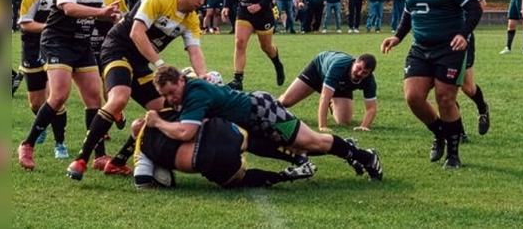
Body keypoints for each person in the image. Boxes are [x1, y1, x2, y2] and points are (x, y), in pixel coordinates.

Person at [65, 0, 215, 180]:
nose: (203, 2)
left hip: (140, 62)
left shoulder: (191, 19)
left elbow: (195, 51)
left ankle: (117, 162)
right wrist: (160, 64)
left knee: (165, 110)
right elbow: (136, 33)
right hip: (118, 49)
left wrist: (203, 74)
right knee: (119, 98)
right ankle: (81, 159)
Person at [146, 65, 384, 181]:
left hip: (264, 112)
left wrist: (157, 122)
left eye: (171, 92)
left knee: (314, 142)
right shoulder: (189, 87)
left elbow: (186, 132)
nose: (170, 98)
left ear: (180, 80)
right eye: (165, 95)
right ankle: (346, 149)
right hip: (251, 120)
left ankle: (364, 156)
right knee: (297, 147)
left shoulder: (194, 93)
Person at [17, 0, 121, 171]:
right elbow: (69, 8)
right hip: (57, 41)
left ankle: (99, 156)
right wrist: (101, 12)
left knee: (94, 98)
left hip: (81, 43)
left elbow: (96, 12)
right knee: (59, 95)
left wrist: (111, 18)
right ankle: (27, 144)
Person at [380, 0, 482, 169]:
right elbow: (409, 13)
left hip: (449, 49)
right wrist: (397, 37)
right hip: (420, 48)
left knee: (445, 100)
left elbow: (474, 8)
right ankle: (439, 134)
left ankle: (453, 155)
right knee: (413, 97)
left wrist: (463, 34)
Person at [133, 107, 316, 189]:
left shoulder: (142, 151)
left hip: (208, 160)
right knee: (248, 139)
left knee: (238, 179)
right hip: (216, 133)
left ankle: (282, 176)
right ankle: (297, 157)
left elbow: (141, 180)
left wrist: (158, 177)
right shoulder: (161, 113)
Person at [429, 0, 491, 139]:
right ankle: (459, 131)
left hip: (460, 37)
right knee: (445, 87)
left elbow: (481, 3)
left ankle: (482, 107)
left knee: (467, 87)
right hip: (438, 39)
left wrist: (463, 27)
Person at [17, 0, 72, 160]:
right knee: (35, 103)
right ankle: (43, 121)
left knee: (56, 97)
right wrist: (49, 28)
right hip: (32, 46)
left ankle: (60, 143)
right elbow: (24, 23)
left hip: (57, 48)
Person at [222, 0, 285, 90]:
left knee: (266, 47)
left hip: (263, 14)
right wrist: (226, 6)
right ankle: (238, 80)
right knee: (239, 42)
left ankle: (277, 64)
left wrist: (260, 5)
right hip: (244, 12)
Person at [279, 51, 378, 131]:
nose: (359, 73)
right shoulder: (339, 67)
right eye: (358, 68)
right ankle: (268, 106)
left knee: (344, 121)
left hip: (340, 85)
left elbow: (371, 108)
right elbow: (324, 97)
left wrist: (364, 126)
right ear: (354, 62)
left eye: (364, 72)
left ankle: (332, 102)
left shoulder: (369, 81)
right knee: (285, 102)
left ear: (369, 74)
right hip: (317, 72)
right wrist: (322, 126)